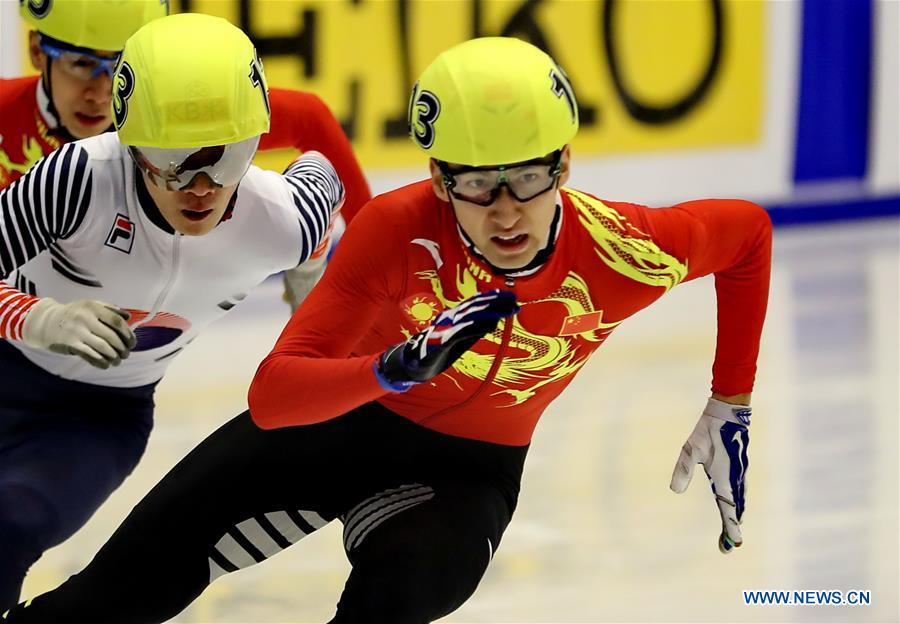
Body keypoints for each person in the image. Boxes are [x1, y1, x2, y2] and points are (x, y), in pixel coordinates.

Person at [0, 36, 772, 624]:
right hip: (336, 426)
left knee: (390, 605)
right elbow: (274, 397)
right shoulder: (399, 230)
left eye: (529, 177)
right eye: (476, 183)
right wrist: (387, 371)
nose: (505, 210)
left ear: (564, 165)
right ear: (439, 177)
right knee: (106, 601)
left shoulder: (624, 250)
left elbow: (748, 238)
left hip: (468, 476)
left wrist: (730, 399)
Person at [0, 12, 345, 611]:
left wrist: (309, 290)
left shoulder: (283, 220)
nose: (201, 186)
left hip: (98, 419)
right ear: (132, 143)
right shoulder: (80, 178)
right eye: (173, 158)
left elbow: (322, 178)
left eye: (227, 157)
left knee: (9, 528)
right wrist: (39, 319)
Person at [1, 0, 372, 303]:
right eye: (81, 64)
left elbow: (309, 119)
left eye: (121, 68)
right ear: (36, 51)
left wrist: (374, 274)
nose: (100, 93)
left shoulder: (176, 115)